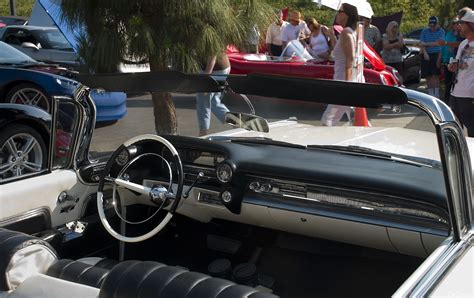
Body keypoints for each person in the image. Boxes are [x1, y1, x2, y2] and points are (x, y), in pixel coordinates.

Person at [321, 3, 359, 126]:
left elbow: (350, 58)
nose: (337, 13)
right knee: (352, 119)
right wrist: (331, 36)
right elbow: (340, 51)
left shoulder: (346, 33)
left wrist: (346, 85)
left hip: (343, 81)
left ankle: (321, 143)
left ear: (347, 15)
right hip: (344, 80)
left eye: (340, 11)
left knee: (327, 120)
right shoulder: (347, 32)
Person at [448, 10, 474, 136]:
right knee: (455, 128)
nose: (459, 27)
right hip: (456, 92)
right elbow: (458, 62)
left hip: (470, 95)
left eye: (462, 24)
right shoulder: (463, 44)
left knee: (472, 129)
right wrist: (453, 66)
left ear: (470, 25)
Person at [196, 53, 231, 136]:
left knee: (203, 102)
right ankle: (236, 121)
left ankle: (203, 133)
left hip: (216, 70)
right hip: (218, 68)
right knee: (214, 102)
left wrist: (207, 78)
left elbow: (212, 55)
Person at [419, 16, 445, 98]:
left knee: (435, 75)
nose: (432, 27)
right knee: (428, 75)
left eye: (434, 25)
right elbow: (421, 43)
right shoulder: (424, 31)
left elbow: (438, 43)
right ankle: (431, 94)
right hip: (427, 54)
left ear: (437, 24)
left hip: (436, 54)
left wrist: (426, 44)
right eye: (431, 25)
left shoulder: (441, 31)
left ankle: (436, 94)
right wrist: (425, 53)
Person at [440, 18, 463, 103]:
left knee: (456, 81)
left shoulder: (461, 34)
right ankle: (446, 101)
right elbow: (443, 47)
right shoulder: (449, 33)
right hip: (448, 60)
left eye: (457, 23)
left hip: (458, 60)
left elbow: (459, 44)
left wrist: (447, 43)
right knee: (448, 82)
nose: (456, 25)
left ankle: (454, 100)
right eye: (454, 23)